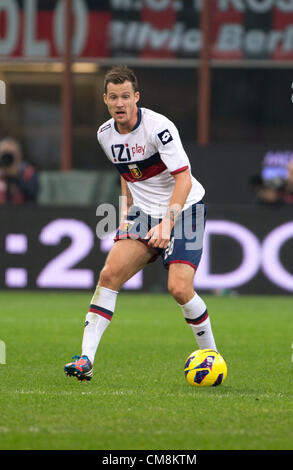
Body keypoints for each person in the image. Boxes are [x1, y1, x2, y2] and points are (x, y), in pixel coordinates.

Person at [64, 65, 218, 382]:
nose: (120, 103)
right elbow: (128, 174)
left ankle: (211, 356)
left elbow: (184, 180)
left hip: (185, 208)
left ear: (136, 97)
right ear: (105, 100)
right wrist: (125, 215)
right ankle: (86, 360)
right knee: (109, 274)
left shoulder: (159, 128)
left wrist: (166, 223)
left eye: (125, 97)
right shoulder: (104, 135)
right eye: (113, 97)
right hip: (143, 213)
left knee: (178, 288)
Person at [0, 137, 39, 204]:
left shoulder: (28, 173)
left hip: (21, 212)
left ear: (19, 155)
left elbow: (32, 195)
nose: (7, 159)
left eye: (11, 155)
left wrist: (15, 176)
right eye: (4, 154)